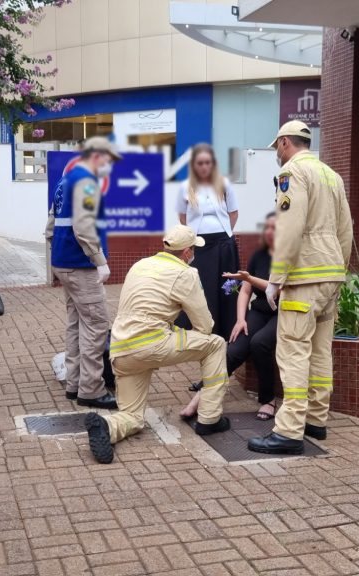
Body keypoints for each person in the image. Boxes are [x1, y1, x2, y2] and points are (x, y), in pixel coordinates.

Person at [84, 225, 232, 464]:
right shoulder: (186, 274)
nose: (194, 253)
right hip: (152, 344)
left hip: (121, 349)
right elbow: (204, 325)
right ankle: (210, 418)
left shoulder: (140, 264)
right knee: (215, 344)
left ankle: (106, 426)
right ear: (187, 252)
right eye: (193, 249)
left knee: (133, 417)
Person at [247, 120, 353, 456]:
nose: (277, 154)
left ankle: (289, 431)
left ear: (284, 143)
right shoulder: (331, 175)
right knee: (321, 351)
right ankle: (316, 420)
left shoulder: (292, 174)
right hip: (331, 275)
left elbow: (289, 229)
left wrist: (276, 279)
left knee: (293, 351)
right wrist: (339, 268)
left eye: (276, 147)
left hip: (304, 277)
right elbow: (346, 229)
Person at [180, 212, 280, 421]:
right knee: (236, 345)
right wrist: (241, 319)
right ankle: (204, 393)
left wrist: (249, 278)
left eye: (275, 228)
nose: (269, 232)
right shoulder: (259, 255)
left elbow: (277, 290)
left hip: (283, 312)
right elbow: (245, 291)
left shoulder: (289, 256)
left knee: (260, 343)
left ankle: (268, 399)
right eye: (267, 227)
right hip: (260, 310)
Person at [45, 136, 120, 410]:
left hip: (64, 263)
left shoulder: (65, 181)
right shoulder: (87, 183)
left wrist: (58, 253)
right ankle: (91, 389)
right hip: (81, 266)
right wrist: (99, 261)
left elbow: (51, 225)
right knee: (96, 325)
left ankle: (74, 383)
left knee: (76, 324)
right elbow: (84, 228)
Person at [176, 143, 240, 340]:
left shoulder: (225, 184)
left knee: (226, 289)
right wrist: (192, 239)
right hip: (200, 247)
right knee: (202, 288)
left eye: (207, 163)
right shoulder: (184, 187)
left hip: (223, 244)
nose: (204, 167)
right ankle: (201, 332)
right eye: (200, 163)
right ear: (194, 165)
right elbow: (182, 217)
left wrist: (226, 234)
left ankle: (228, 330)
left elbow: (234, 213)